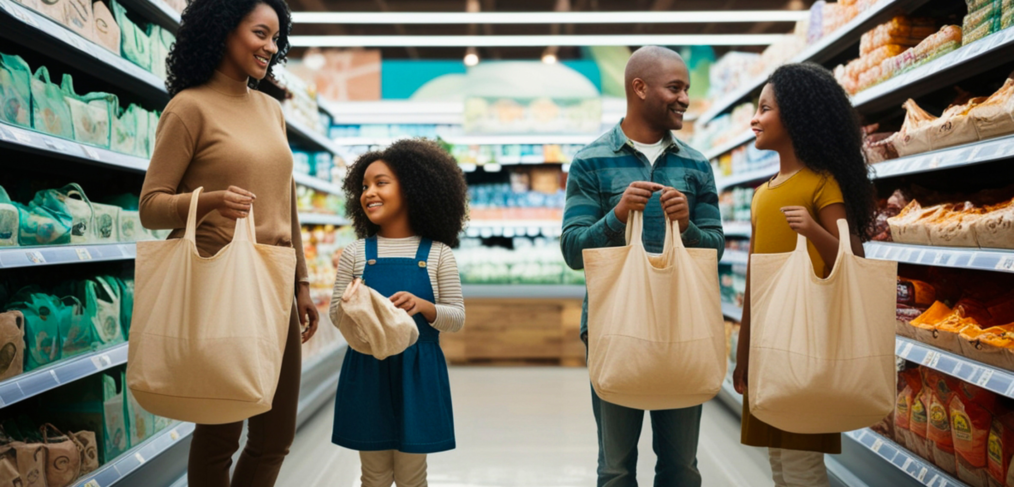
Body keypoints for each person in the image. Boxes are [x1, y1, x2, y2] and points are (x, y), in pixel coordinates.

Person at [138, 0, 320, 485]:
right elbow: (151, 205)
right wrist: (209, 200)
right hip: (222, 283)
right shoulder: (188, 107)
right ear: (223, 30)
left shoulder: (270, 109)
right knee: (221, 433)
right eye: (261, 33)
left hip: (275, 283)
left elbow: (288, 201)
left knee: (275, 437)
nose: (271, 46)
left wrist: (302, 281)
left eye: (277, 38)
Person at [561, 46, 725, 487]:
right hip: (615, 326)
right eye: (675, 87)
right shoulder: (590, 162)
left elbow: (716, 250)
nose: (685, 98)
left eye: (687, 88)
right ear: (639, 88)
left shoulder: (696, 165)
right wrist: (616, 216)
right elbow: (574, 251)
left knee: (681, 467)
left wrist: (688, 227)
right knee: (615, 468)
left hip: (682, 325)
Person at [732, 63, 876, 487]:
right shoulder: (762, 193)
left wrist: (814, 231)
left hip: (807, 342)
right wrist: (743, 353)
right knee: (778, 459)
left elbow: (855, 260)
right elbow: (755, 281)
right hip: (768, 344)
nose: (754, 119)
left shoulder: (821, 183)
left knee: (800, 463)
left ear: (795, 116)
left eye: (764, 109)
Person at [329, 139, 468, 487]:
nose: (368, 192)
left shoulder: (438, 255)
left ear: (413, 188)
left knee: (411, 475)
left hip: (417, 372)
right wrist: (355, 307)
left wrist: (424, 307)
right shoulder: (355, 253)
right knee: (373, 475)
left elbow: (457, 317)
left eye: (380, 182)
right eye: (363, 186)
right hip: (367, 367)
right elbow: (335, 314)